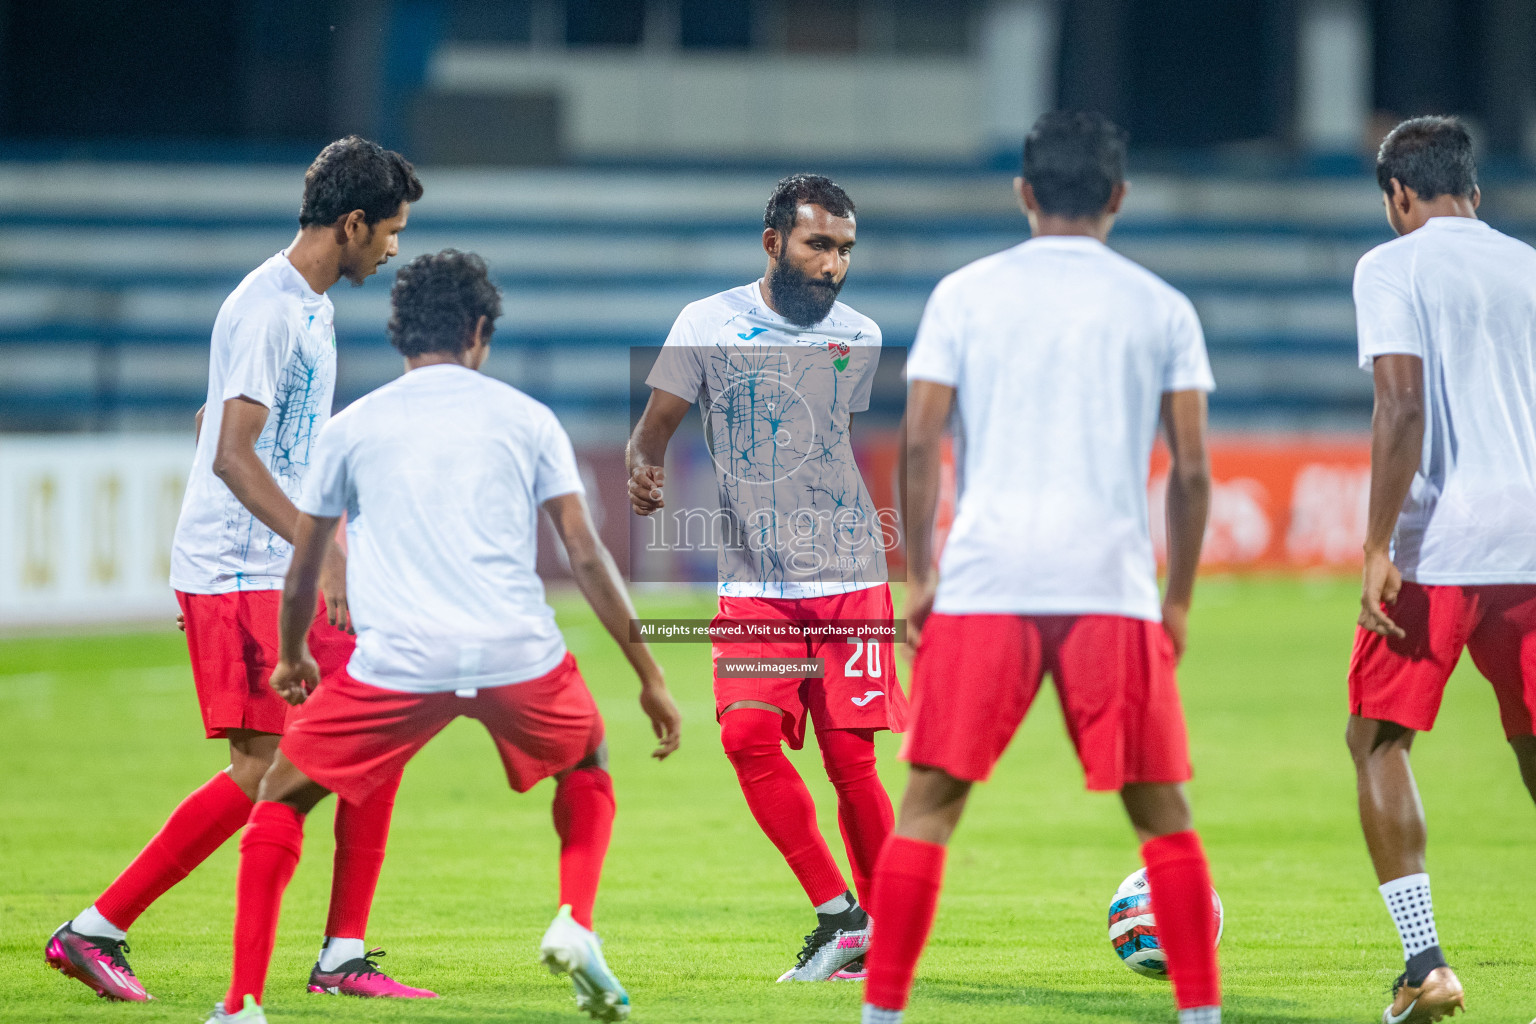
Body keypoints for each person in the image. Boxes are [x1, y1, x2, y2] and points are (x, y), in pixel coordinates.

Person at [204, 249, 681, 1024]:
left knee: (282, 801)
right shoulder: (528, 419)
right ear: (481, 332)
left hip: (399, 661)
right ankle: (575, 920)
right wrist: (649, 674)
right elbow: (585, 553)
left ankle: (242, 1001)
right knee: (587, 759)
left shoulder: (354, 427)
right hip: (517, 653)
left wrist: (293, 655)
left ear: (399, 335)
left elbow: (307, 563)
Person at [45, 136, 432, 1002]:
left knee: (376, 729)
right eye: (391, 231)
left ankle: (341, 954)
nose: (395, 248)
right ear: (354, 222)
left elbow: (208, 424)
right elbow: (230, 453)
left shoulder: (308, 306)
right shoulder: (268, 308)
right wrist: (310, 548)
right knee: (267, 772)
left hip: (255, 565)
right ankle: (96, 929)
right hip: (250, 569)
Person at [860, 111, 1222, 1024]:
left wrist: (922, 575)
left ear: (1023, 192)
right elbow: (1191, 466)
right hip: (1110, 584)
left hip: (987, 582)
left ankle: (882, 1014)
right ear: (1118, 197)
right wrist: (1173, 598)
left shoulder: (965, 295)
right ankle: (1201, 1016)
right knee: (1163, 811)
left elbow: (920, 439)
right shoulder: (1162, 306)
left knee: (930, 804)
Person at [626, 173, 907, 982]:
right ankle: (838, 915)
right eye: (820, 244)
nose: (834, 265)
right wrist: (645, 472)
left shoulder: (860, 335)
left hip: (849, 575)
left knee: (851, 765)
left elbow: (822, 455)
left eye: (846, 250)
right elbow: (653, 434)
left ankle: (886, 936)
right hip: (754, 585)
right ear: (774, 242)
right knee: (749, 738)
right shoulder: (703, 324)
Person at [1346, 114, 1536, 1024]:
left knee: (1379, 738)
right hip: (1533, 545)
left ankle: (1425, 966)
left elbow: (1401, 403)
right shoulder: (1530, 266)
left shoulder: (1393, 265)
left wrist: (1378, 543)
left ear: (1399, 195)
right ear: (1475, 188)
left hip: (1438, 547)